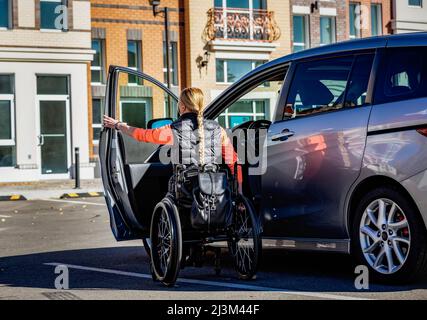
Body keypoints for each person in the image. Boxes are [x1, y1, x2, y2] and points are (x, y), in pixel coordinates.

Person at [103, 87, 242, 193]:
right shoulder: (219, 130)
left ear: (182, 106)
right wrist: (240, 192)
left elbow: (142, 134)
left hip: (185, 191)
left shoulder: (174, 130)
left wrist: (118, 125)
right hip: (217, 189)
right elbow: (233, 162)